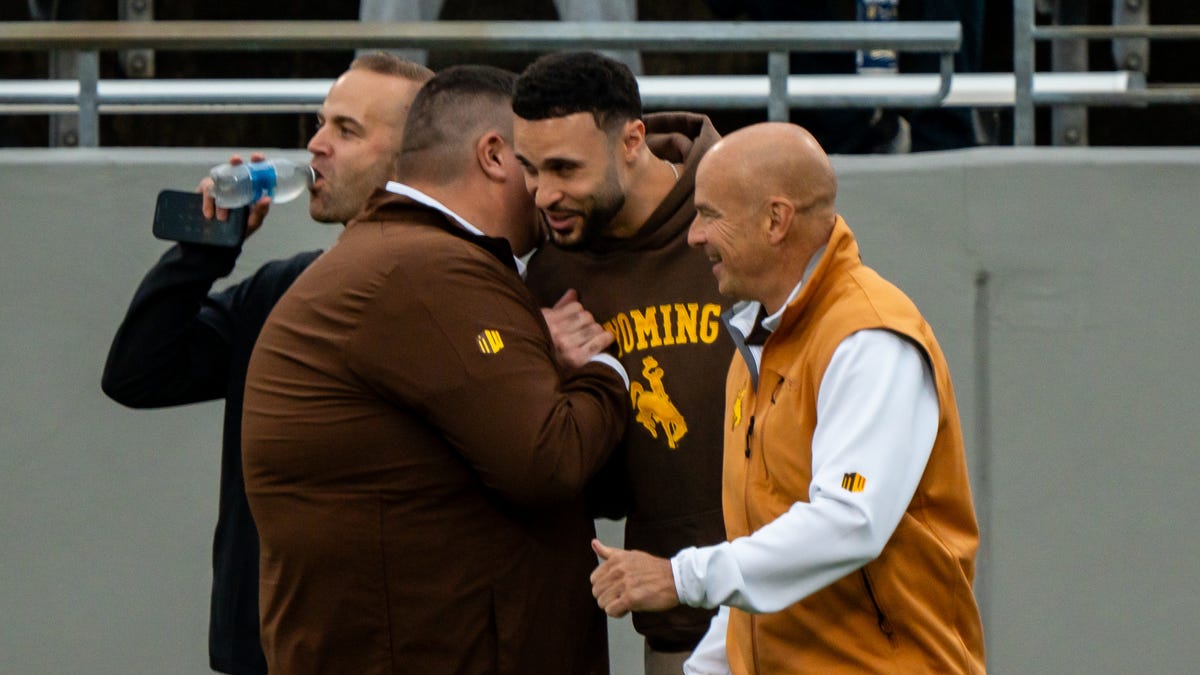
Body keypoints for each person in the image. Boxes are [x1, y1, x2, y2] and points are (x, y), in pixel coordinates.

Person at [240, 65, 630, 675]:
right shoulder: (428, 272)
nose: (550, 194)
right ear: (495, 155)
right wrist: (603, 367)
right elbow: (548, 461)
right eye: (537, 166)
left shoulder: (403, 255)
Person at [588, 122, 987, 673]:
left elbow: (848, 522)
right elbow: (770, 555)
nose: (693, 237)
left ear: (775, 220)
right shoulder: (757, 344)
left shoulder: (868, 338)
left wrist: (680, 577)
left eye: (710, 215)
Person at [100, 52, 433, 675]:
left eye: (347, 130)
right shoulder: (284, 288)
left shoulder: (450, 298)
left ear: (413, 160)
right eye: (320, 122)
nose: (315, 145)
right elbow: (137, 374)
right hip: (257, 651)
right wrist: (202, 254)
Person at [512, 51, 730, 675]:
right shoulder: (551, 267)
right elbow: (585, 478)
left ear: (633, 139)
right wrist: (547, 366)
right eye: (530, 169)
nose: (543, 194)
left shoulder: (738, 207)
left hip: (803, 618)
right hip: (678, 632)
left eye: (564, 168)